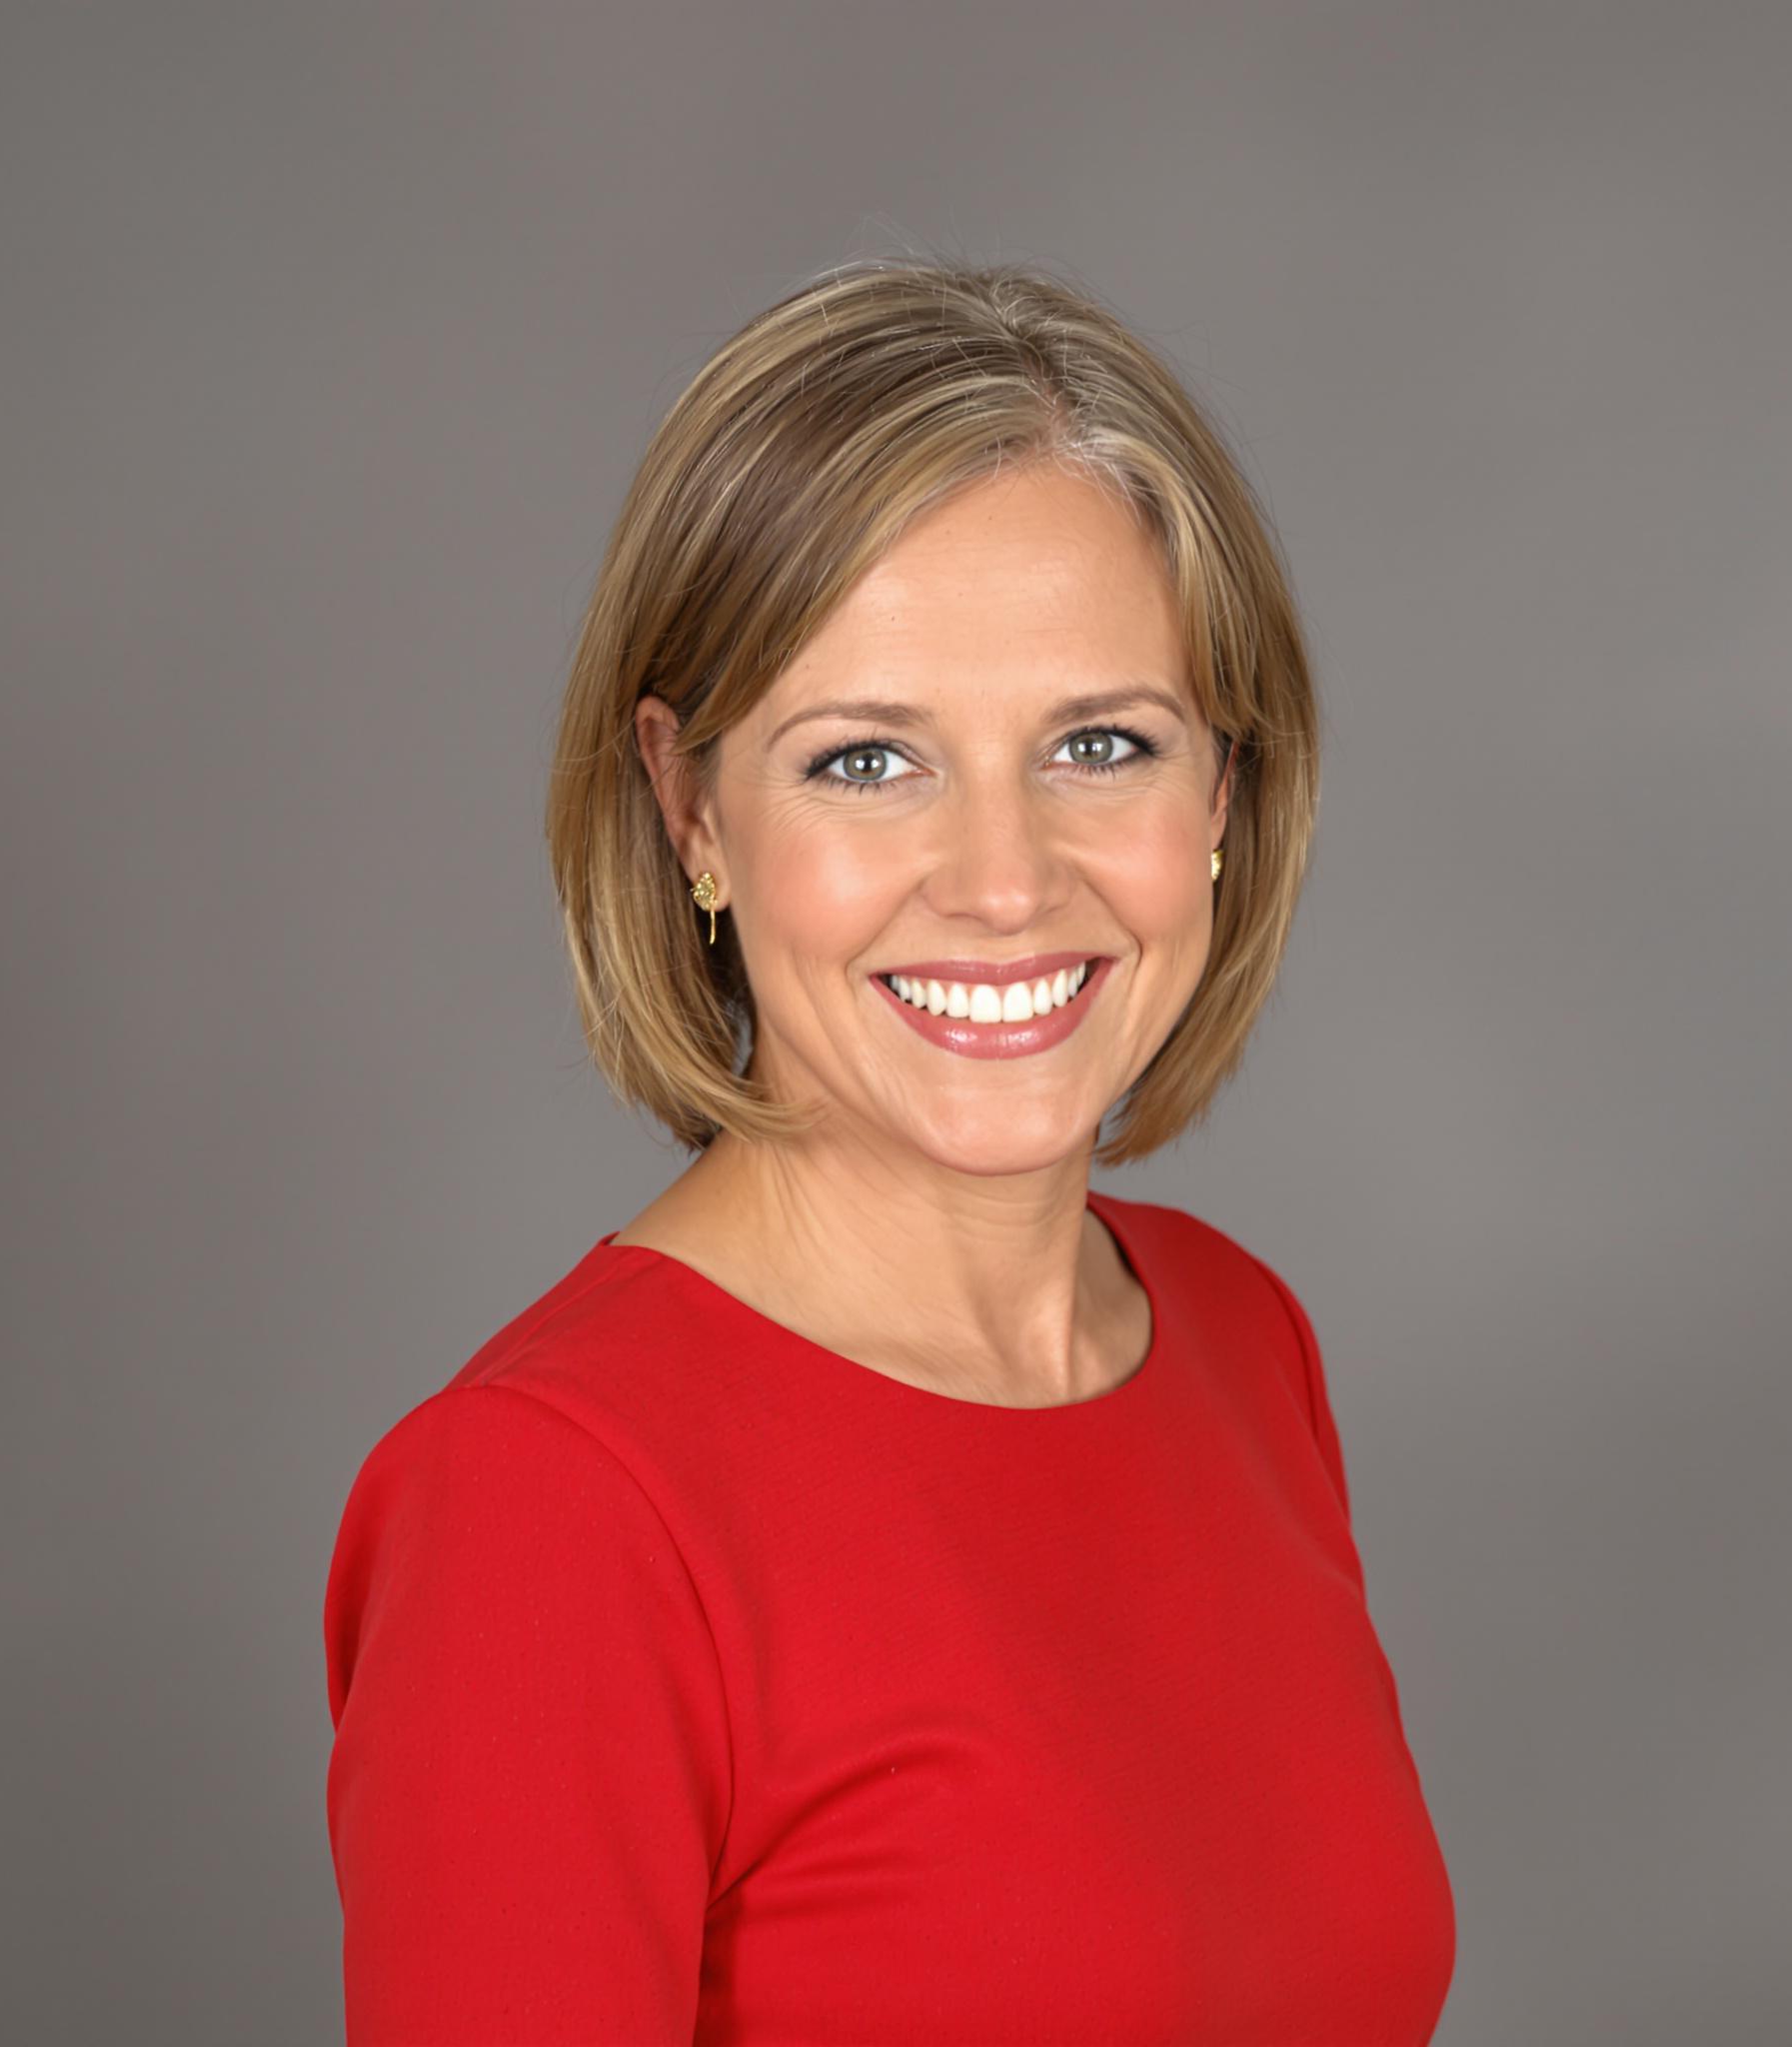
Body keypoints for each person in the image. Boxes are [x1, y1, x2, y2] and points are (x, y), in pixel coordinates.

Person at [323, 259, 1457, 2044]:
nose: (1005, 883)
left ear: (1223, 797)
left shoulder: (1244, 1345)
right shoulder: (550, 1510)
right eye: (868, 762)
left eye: (1100, 744)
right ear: (692, 809)